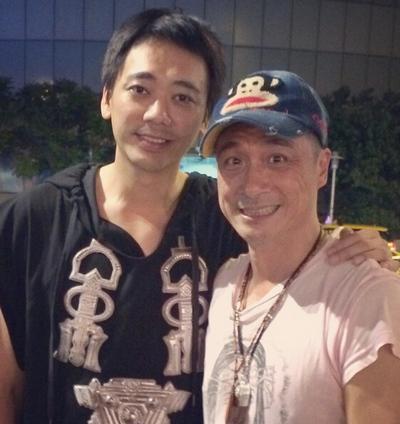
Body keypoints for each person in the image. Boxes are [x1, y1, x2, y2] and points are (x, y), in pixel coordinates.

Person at [0, 9, 396, 424]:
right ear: (106, 98)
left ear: (206, 118)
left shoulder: (232, 219)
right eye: (140, 89)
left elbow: (302, 253)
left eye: (183, 97)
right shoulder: (32, 221)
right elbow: (7, 386)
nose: (158, 114)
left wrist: (354, 253)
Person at [200, 70, 400, 423]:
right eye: (234, 161)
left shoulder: (364, 296)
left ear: (322, 168)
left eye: (277, 158)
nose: (252, 184)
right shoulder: (223, 281)